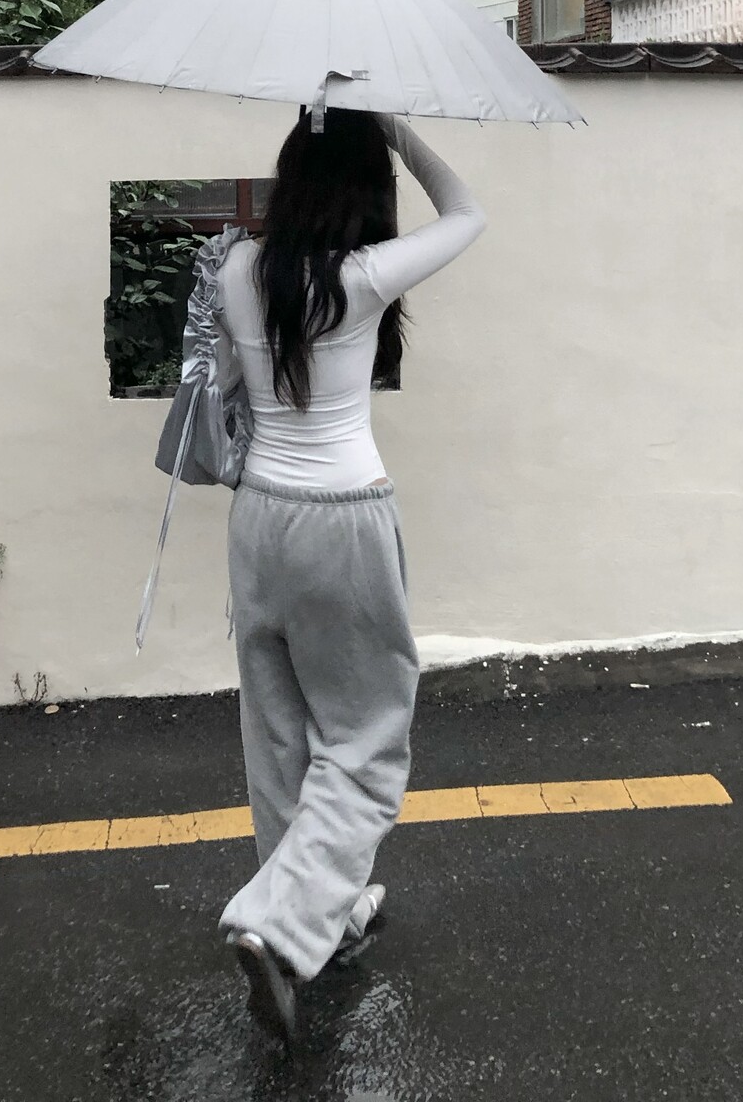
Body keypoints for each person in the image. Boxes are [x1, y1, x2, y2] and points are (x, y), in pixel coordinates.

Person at [211, 106, 486, 1042]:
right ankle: (278, 922)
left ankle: (311, 917)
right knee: (366, 741)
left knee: (279, 731)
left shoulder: (239, 269)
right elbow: (468, 212)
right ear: (366, 189)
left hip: (258, 518)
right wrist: (395, 129)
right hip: (343, 518)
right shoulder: (361, 278)